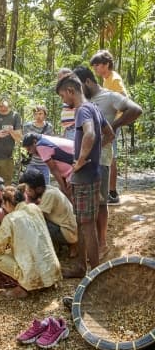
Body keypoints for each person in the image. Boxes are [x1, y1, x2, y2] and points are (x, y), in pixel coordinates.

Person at [73, 66, 142, 258]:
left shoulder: (109, 96)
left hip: (102, 158)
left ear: (87, 81)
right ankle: (91, 246)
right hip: (84, 159)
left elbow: (136, 109)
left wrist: (113, 126)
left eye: (79, 86)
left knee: (101, 202)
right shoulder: (84, 101)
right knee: (89, 204)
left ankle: (102, 244)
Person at [56, 74, 115, 278]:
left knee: (87, 225)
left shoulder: (83, 110)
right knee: (83, 222)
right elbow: (110, 134)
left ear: (71, 91)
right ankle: (81, 267)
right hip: (92, 174)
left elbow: (89, 134)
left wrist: (80, 161)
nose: (64, 100)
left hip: (85, 176)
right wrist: (94, 152)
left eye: (63, 95)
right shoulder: (95, 108)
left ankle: (96, 274)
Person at [0, 186, 62, 298]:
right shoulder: (35, 208)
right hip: (53, 271)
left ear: (8, 203)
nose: (3, 207)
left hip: (33, 276)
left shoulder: (10, 218)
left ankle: (21, 288)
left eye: (4, 204)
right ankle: (47, 283)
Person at [90, 50, 128, 204]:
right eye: (94, 66)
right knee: (108, 156)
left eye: (97, 65)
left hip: (112, 124)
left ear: (106, 64)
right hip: (107, 124)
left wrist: (115, 123)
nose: (95, 69)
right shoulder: (106, 80)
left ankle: (112, 192)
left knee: (110, 157)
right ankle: (109, 190)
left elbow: (124, 101)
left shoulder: (115, 79)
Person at [19, 169, 78, 257]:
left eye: (28, 190)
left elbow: (35, 216)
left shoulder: (49, 194)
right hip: (65, 228)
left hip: (68, 233)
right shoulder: (46, 190)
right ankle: (57, 246)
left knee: (32, 222)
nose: (27, 192)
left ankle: (56, 247)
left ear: (38, 189)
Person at [22, 133, 74, 201]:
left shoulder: (41, 146)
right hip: (72, 167)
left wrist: (64, 188)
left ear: (34, 142)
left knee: (69, 195)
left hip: (74, 169)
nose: (30, 152)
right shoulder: (43, 138)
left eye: (29, 149)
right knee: (65, 196)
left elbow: (53, 169)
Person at [23, 105, 53, 185]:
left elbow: (49, 143)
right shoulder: (27, 126)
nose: (38, 116)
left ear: (45, 115)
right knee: (30, 187)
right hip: (31, 162)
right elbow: (25, 143)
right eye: (36, 114)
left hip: (44, 162)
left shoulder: (49, 127)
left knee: (46, 187)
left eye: (40, 113)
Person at [57, 68, 76, 140]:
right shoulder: (64, 91)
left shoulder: (74, 90)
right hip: (68, 129)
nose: (58, 80)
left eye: (60, 78)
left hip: (74, 128)